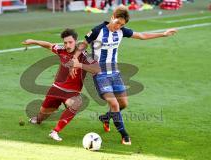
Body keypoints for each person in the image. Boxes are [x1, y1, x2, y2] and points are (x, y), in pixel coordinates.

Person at [70, 5, 177, 145]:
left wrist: (163, 34)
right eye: (117, 23)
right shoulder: (97, 30)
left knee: (123, 104)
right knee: (114, 104)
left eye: (122, 25)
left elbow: (142, 35)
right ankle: (124, 135)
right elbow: (83, 44)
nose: (118, 27)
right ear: (112, 17)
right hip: (100, 74)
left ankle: (105, 118)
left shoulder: (122, 31)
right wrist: (74, 58)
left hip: (114, 73)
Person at [22, 28, 100, 141]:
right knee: (42, 114)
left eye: (70, 42)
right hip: (56, 89)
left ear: (76, 41)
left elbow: (97, 69)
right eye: (65, 42)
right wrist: (33, 41)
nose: (67, 45)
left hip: (72, 92)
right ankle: (38, 120)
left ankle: (55, 131)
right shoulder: (61, 49)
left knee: (76, 104)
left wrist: (79, 65)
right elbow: (49, 45)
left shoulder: (84, 55)